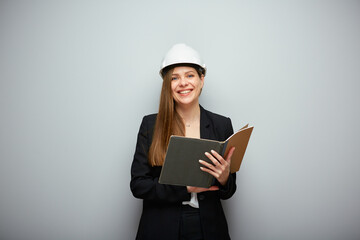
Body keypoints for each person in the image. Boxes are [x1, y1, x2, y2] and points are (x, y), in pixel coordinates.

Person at [130, 43, 236, 240]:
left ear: (201, 80)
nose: (183, 83)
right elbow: (138, 185)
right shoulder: (150, 125)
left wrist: (224, 179)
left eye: (190, 75)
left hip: (209, 227)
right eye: (175, 78)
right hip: (162, 226)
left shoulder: (221, 125)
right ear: (167, 85)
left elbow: (229, 191)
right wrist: (184, 188)